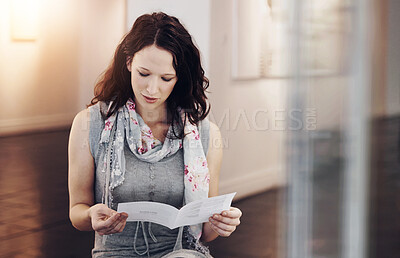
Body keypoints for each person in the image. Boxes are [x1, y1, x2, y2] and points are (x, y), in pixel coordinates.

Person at [68, 12, 242, 257]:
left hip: (180, 251)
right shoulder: (90, 124)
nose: (152, 89)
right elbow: (77, 211)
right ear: (128, 62)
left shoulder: (204, 133)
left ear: (179, 77)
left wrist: (219, 222)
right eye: (143, 73)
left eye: (166, 78)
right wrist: (89, 216)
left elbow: (205, 230)